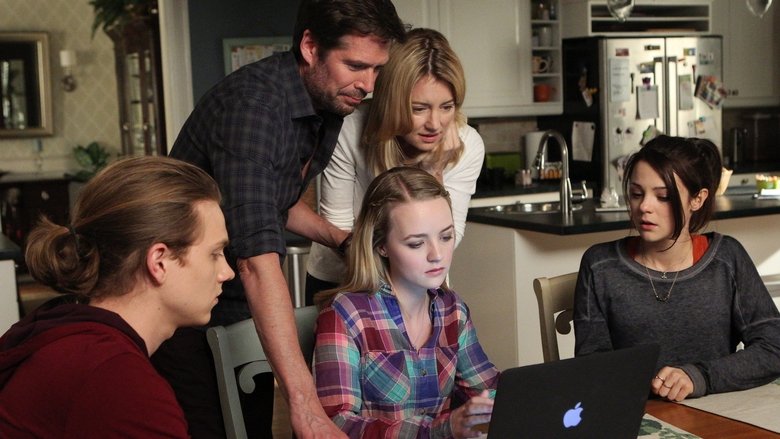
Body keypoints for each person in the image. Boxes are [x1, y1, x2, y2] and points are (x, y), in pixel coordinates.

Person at [157, 1, 407, 437]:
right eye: (355, 66)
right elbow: (256, 261)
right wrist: (304, 404)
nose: (368, 85)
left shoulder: (324, 101)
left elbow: (274, 199)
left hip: (232, 296)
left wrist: (340, 239)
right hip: (180, 304)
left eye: (377, 70)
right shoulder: (253, 109)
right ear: (310, 46)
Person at [0, 156, 233, 437]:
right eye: (215, 254)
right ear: (159, 262)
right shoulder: (117, 379)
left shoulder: (65, 329)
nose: (227, 272)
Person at [573, 135, 780, 402]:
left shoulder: (726, 259)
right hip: (639, 416)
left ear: (698, 199)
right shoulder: (600, 265)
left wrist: (699, 377)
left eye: (663, 196)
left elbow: (774, 347)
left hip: (719, 413)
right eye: (636, 194)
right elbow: (592, 369)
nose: (644, 207)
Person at [313, 167, 499, 438]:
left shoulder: (452, 311)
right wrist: (441, 429)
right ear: (381, 246)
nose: (437, 255)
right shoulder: (344, 315)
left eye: (445, 237)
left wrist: (527, 397)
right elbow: (337, 424)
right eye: (416, 244)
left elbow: (488, 389)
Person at [305, 28, 485, 302]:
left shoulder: (467, 144)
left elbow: (447, 236)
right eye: (418, 108)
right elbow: (338, 226)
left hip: (418, 283)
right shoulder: (349, 130)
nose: (435, 124)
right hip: (342, 276)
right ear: (392, 102)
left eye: (447, 107)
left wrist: (434, 171)